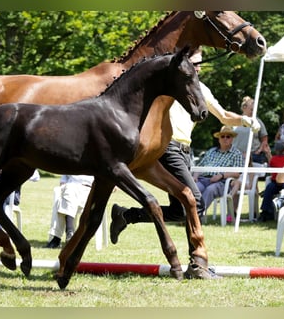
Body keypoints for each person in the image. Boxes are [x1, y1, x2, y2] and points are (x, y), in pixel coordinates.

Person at [109, 48, 260, 278]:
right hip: (168, 148)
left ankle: (127, 215)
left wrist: (245, 120)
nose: (197, 68)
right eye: (194, 63)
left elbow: (223, 116)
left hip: (185, 152)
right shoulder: (169, 83)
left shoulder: (202, 89)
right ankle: (197, 265)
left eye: (200, 64)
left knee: (182, 210)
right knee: (195, 201)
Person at [192, 126, 243, 211]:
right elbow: (200, 166)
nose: (225, 138)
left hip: (222, 182)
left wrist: (221, 175)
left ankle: (196, 215)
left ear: (232, 139)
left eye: (228, 136)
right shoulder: (211, 151)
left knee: (210, 190)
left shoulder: (236, 153)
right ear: (219, 139)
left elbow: (237, 172)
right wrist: (195, 176)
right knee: (193, 189)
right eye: (222, 136)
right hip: (203, 179)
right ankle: (185, 214)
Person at [45, 174, 94, 248]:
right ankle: (69, 234)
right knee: (67, 192)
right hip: (71, 187)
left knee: (64, 199)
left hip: (88, 189)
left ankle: (58, 238)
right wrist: (63, 181)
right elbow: (65, 173)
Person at [233, 96, 271, 165]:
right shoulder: (235, 121)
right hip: (236, 156)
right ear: (244, 108)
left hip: (254, 156)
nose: (253, 112)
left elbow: (264, 140)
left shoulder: (258, 121)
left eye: (254, 110)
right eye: (251, 109)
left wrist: (259, 151)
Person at [259, 141, 284, 221]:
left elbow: (271, 163)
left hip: (275, 184)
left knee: (268, 189)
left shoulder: (273, 159)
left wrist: (268, 153)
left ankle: (265, 212)